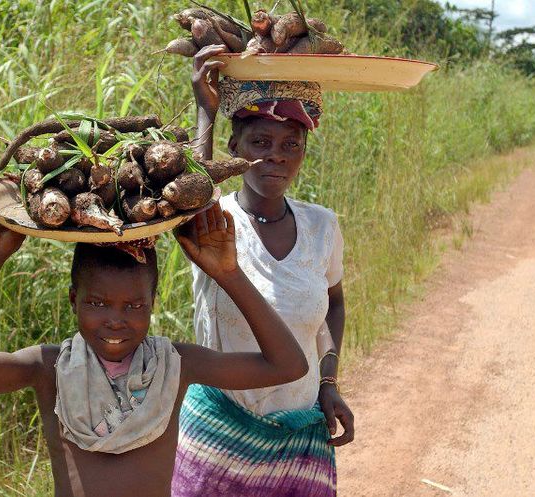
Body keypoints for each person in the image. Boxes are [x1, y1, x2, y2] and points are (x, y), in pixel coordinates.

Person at [0, 207, 308, 497]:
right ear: (74, 299)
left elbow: (288, 365)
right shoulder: (50, 368)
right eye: (97, 303)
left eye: (134, 306)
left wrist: (228, 274)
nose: (115, 320)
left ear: (153, 303)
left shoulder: (175, 364)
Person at [172, 45, 354, 497]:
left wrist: (328, 382)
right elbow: (194, 186)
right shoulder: (214, 224)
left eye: (291, 145)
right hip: (218, 430)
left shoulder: (321, 227)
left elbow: (333, 303)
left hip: (298, 430)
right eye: (261, 142)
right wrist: (205, 109)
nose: (277, 156)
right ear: (235, 147)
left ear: (303, 153)